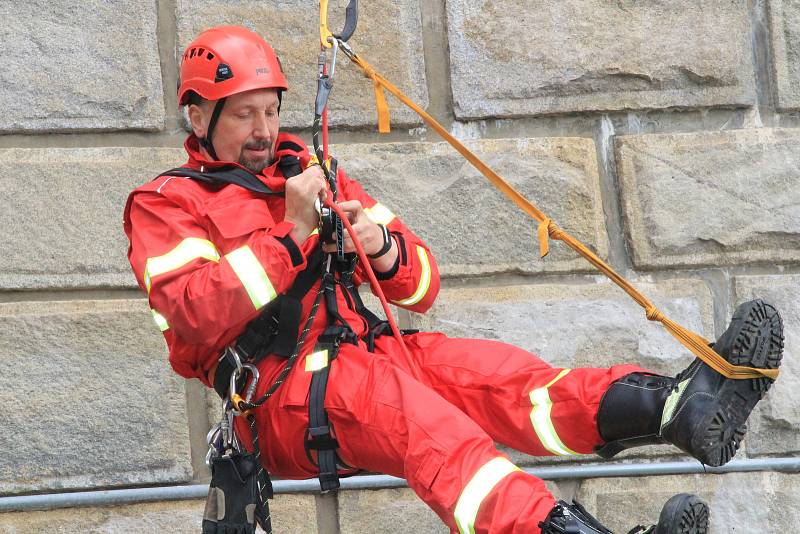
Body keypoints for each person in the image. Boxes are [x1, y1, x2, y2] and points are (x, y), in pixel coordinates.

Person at [123, 26, 784, 533]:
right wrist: (292, 237)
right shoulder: (167, 203)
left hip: (370, 353)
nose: (266, 130)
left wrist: (376, 245)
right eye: (244, 115)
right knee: (436, 435)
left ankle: (676, 408)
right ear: (199, 118)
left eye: (270, 110)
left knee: (499, 378)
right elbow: (193, 315)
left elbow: (422, 286)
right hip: (280, 398)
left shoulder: (311, 169)